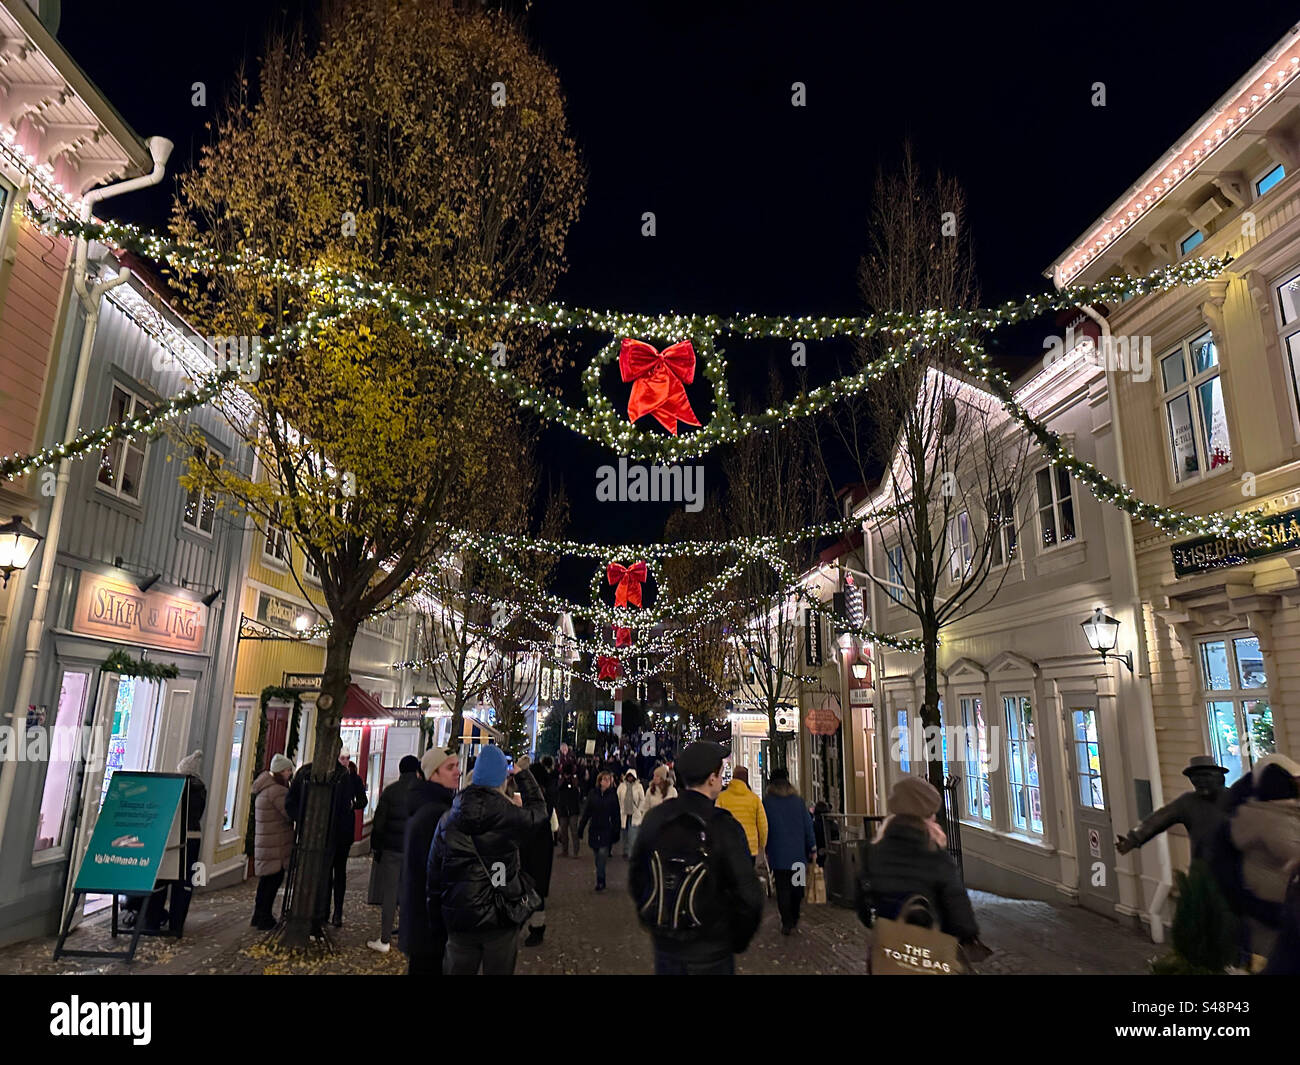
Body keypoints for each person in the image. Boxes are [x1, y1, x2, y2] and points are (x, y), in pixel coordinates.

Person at [630, 741, 763, 975]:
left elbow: (637, 876)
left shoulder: (657, 818)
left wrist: (655, 921)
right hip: (711, 950)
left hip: (666, 946)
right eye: (720, 774)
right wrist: (735, 941)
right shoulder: (723, 825)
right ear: (712, 779)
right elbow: (749, 895)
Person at [427, 745, 547, 975]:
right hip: (499, 920)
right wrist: (522, 774)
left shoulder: (448, 819)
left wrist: (437, 919)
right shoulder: (509, 816)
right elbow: (539, 813)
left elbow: (434, 874)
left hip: (459, 917)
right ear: (502, 777)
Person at [855, 777, 980, 958]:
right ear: (927, 817)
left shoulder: (873, 852)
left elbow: (863, 902)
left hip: (888, 950)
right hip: (931, 950)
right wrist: (967, 935)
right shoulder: (937, 857)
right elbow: (956, 904)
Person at [286, 749, 368, 931]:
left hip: (331, 834)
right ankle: (325, 911)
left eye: (348, 758)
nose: (345, 761)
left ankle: (328, 911)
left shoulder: (345, 777)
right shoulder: (313, 774)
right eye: (343, 758)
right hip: (330, 833)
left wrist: (303, 821)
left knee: (331, 872)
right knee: (330, 872)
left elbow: (290, 802)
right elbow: (291, 802)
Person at [1231, 761, 1300, 963]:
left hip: (1267, 900)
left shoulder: (1264, 814)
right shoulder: (1273, 819)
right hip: (1275, 903)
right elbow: (1292, 851)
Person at [400, 747, 460, 975]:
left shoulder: (434, 807)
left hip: (425, 921)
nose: (457, 771)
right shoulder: (435, 814)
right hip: (429, 924)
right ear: (433, 774)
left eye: (456, 766)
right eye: (450, 767)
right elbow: (434, 873)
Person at [1116, 755, 1231, 865]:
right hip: (1203, 867)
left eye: (1206, 776)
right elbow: (1160, 818)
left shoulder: (1235, 799)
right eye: (1196, 778)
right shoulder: (1188, 802)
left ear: (1219, 777)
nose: (1201, 781)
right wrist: (1133, 839)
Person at [366, 754, 422, 953]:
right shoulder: (422, 793)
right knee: (410, 895)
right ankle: (408, 937)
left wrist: (377, 848)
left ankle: (385, 938)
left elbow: (379, 824)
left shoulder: (390, 792)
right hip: (413, 851)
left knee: (389, 895)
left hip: (391, 850)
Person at [763, 768, 816, 935]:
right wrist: (812, 847)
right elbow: (808, 826)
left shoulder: (768, 802)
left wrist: (765, 847)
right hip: (798, 855)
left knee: (783, 888)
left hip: (778, 855)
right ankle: (794, 916)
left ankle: (787, 921)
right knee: (797, 888)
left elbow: (765, 828)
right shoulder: (798, 801)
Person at [251, 753, 296, 930]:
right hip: (275, 845)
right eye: (287, 770)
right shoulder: (277, 791)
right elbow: (289, 812)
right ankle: (264, 918)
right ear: (279, 772)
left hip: (266, 843)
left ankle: (258, 915)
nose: (289, 774)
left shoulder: (264, 789)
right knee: (272, 882)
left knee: (265, 883)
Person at [516, 755, 555, 946]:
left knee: (535, 892)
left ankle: (536, 928)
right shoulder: (534, 800)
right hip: (530, 851)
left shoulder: (539, 804)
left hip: (536, 853)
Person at [717, 764, 768, 866]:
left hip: (728, 847)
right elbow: (763, 825)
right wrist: (762, 845)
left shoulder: (721, 798)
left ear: (733, 777)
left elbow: (716, 822)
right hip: (750, 847)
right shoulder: (754, 799)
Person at [578, 771, 621, 890]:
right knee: (597, 855)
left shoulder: (613, 795)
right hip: (594, 829)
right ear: (600, 781)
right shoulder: (593, 794)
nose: (607, 782)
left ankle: (600, 880)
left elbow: (616, 815)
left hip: (607, 829)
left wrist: (616, 830)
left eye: (609, 779)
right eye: (605, 779)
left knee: (602, 854)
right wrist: (581, 828)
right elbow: (587, 812)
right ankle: (600, 874)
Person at [617, 769, 646, 859]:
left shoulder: (639, 787)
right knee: (624, 834)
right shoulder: (621, 786)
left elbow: (642, 799)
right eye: (628, 776)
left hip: (634, 814)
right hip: (624, 813)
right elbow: (617, 798)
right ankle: (625, 850)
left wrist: (639, 809)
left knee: (633, 834)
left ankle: (631, 853)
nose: (630, 778)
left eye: (631, 776)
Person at [555, 770, 582, 858]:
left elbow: (577, 792)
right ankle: (565, 851)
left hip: (572, 809)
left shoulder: (574, 781)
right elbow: (558, 788)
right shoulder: (561, 781)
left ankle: (575, 852)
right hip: (564, 810)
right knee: (564, 832)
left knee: (574, 831)